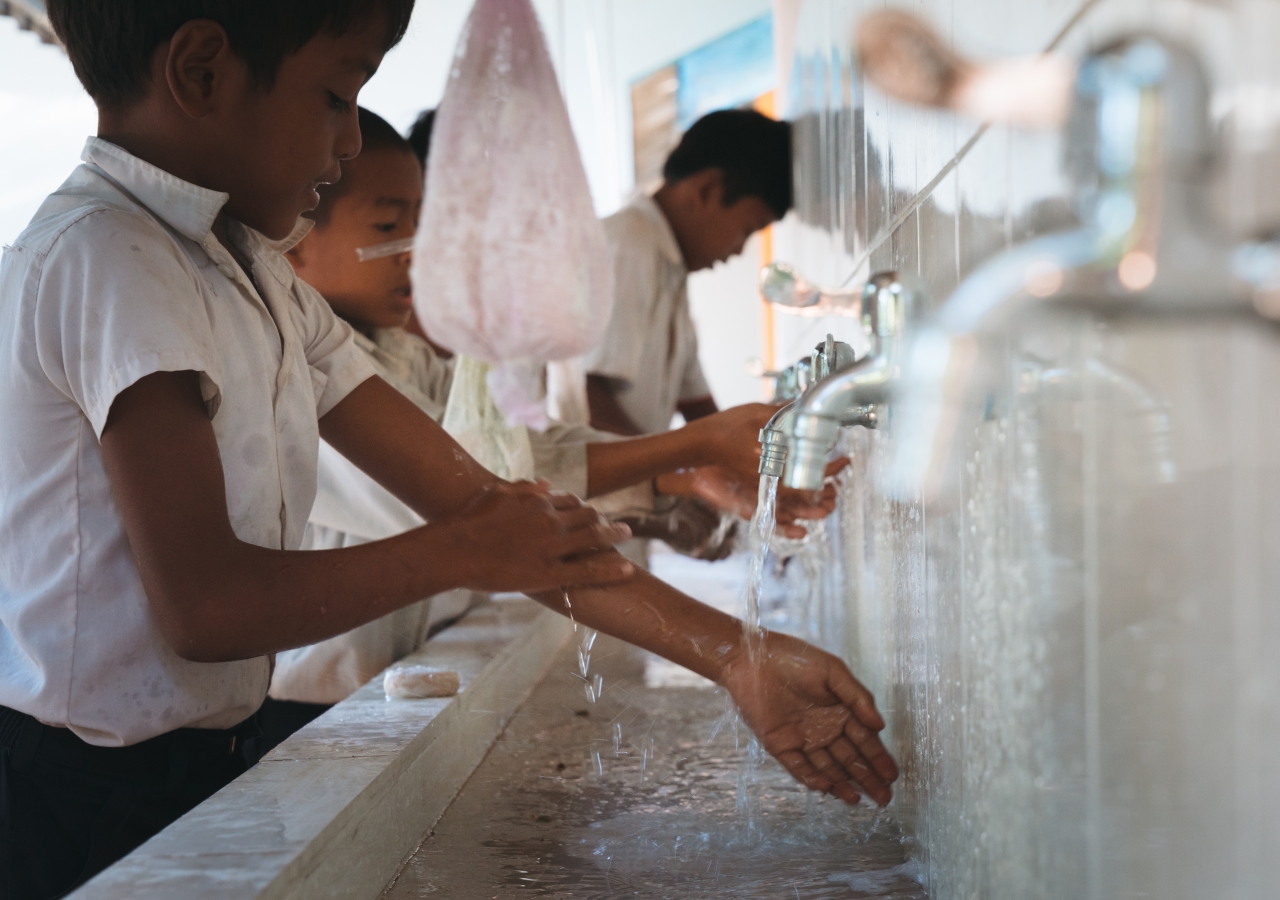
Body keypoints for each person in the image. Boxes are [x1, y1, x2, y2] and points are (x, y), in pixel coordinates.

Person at [0, 4, 897, 896]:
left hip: (194, 762)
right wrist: (467, 547)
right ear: (200, 72)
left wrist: (736, 655)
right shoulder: (109, 257)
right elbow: (207, 606)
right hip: (78, 790)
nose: (349, 138)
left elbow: (486, 504)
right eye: (335, 95)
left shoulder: (258, 278)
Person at [252, 107, 838, 752]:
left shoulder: (394, 352)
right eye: (395, 227)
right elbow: (484, 492)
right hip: (311, 699)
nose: (420, 253)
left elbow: (502, 465)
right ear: (291, 236)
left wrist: (691, 471)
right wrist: (688, 464)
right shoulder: (293, 364)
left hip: (386, 670)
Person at [585, 109, 791, 438]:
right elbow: (585, 398)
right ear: (706, 189)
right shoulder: (629, 245)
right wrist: (672, 470)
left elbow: (699, 408)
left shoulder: (669, 267)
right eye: (747, 229)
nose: (738, 251)